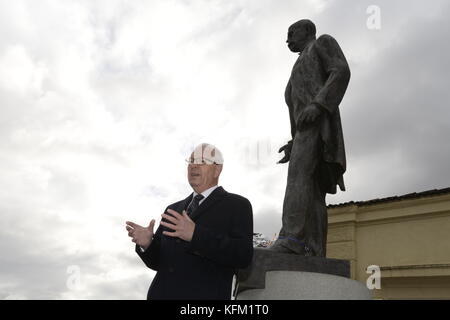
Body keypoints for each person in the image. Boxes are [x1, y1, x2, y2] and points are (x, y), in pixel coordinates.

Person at [125, 143, 253, 300]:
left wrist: (196, 235)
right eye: (191, 161)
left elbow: (242, 255)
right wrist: (148, 244)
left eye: (202, 161)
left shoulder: (237, 205)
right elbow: (158, 263)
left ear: (217, 169)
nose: (194, 166)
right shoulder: (173, 209)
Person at [270, 19, 350, 257]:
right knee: (313, 191)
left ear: (307, 30)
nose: (288, 39)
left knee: (298, 178)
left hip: (318, 125)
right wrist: (294, 142)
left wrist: (319, 104)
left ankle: (291, 238)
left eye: (291, 33)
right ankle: (314, 250)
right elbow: (295, 103)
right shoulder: (298, 63)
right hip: (304, 131)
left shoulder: (322, 43)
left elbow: (341, 71)